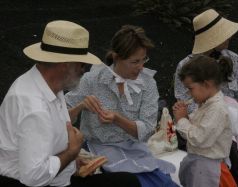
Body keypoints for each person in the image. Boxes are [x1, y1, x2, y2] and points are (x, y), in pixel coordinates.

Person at [0, 20, 141, 187]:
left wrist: (71, 163)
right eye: (82, 64)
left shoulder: (47, 84)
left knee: (127, 181)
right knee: (127, 183)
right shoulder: (34, 106)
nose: (84, 70)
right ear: (65, 64)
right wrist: (71, 152)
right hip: (31, 183)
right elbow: (33, 177)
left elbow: (49, 140)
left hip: (51, 175)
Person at [65, 25, 178, 187]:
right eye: (134, 62)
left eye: (143, 59)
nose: (141, 66)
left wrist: (118, 119)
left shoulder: (147, 83)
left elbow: (147, 131)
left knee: (162, 183)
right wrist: (80, 106)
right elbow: (60, 117)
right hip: (98, 149)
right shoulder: (92, 79)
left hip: (135, 149)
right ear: (116, 57)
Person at [174, 9, 238, 187]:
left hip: (233, 116)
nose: (229, 37)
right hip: (204, 121)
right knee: (231, 147)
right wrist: (215, 118)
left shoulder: (233, 58)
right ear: (211, 40)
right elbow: (185, 100)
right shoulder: (186, 66)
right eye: (224, 35)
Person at [173, 55, 235, 187]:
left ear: (206, 84)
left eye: (190, 88)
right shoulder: (206, 104)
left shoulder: (217, 109)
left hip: (209, 171)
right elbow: (198, 131)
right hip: (201, 165)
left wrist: (182, 120)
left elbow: (199, 139)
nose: (189, 94)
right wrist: (184, 117)